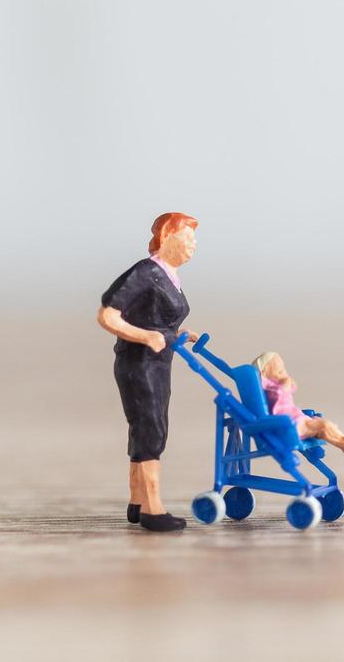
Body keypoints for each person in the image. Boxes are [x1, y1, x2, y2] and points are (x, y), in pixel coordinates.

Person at [96, 212, 199, 532]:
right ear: (167, 238)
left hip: (159, 363)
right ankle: (153, 509)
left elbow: (157, 318)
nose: (193, 247)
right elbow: (107, 315)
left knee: (148, 429)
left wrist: (177, 334)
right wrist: (144, 336)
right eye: (188, 239)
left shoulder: (168, 275)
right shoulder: (145, 272)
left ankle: (137, 502)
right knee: (150, 429)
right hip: (138, 364)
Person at [252, 351, 344, 453]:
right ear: (265, 374)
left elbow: (292, 388)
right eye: (280, 371)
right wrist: (286, 383)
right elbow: (282, 393)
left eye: (284, 370)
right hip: (287, 427)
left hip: (295, 420)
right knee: (324, 425)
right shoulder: (270, 390)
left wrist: (286, 381)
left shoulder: (275, 387)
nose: (285, 374)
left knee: (324, 426)